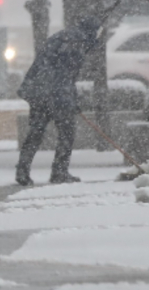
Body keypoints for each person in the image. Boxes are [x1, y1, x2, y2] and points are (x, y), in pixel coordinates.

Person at [14, 16, 102, 186]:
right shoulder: (77, 42)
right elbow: (64, 75)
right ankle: (59, 172)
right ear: (92, 31)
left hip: (38, 91)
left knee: (36, 132)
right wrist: (70, 100)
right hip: (54, 94)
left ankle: (22, 170)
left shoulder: (64, 36)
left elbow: (47, 67)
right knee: (67, 133)